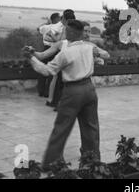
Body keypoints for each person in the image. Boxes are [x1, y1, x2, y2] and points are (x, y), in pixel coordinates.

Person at [23, 20, 102, 169]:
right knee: (91, 127)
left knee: (62, 127)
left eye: (66, 31)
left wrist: (30, 58)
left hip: (73, 91)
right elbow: (101, 58)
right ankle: (92, 160)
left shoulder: (66, 53)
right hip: (90, 89)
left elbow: (47, 71)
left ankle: (52, 163)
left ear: (71, 33)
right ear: (80, 33)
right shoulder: (89, 48)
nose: (64, 33)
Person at [36, 13, 62, 98]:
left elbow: (38, 28)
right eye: (59, 17)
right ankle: (48, 92)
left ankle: (40, 90)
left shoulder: (45, 27)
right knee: (52, 72)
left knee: (42, 71)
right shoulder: (59, 26)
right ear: (57, 19)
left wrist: (46, 23)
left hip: (45, 48)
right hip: (54, 49)